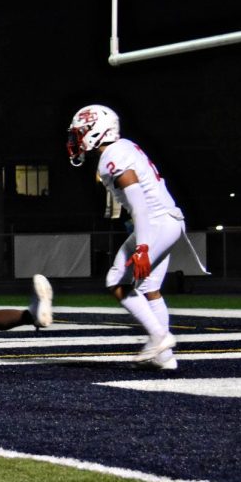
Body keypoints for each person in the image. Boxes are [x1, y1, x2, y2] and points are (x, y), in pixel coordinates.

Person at [67, 104, 183, 370]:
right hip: (167, 220)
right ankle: (165, 360)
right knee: (148, 288)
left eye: (81, 131)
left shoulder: (113, 157)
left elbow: (139, 204)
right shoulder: (124, 147)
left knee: (116, 280)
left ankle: (160, 338)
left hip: (155, 224)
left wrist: (142, 246)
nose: (76, 138)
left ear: (97, 130)